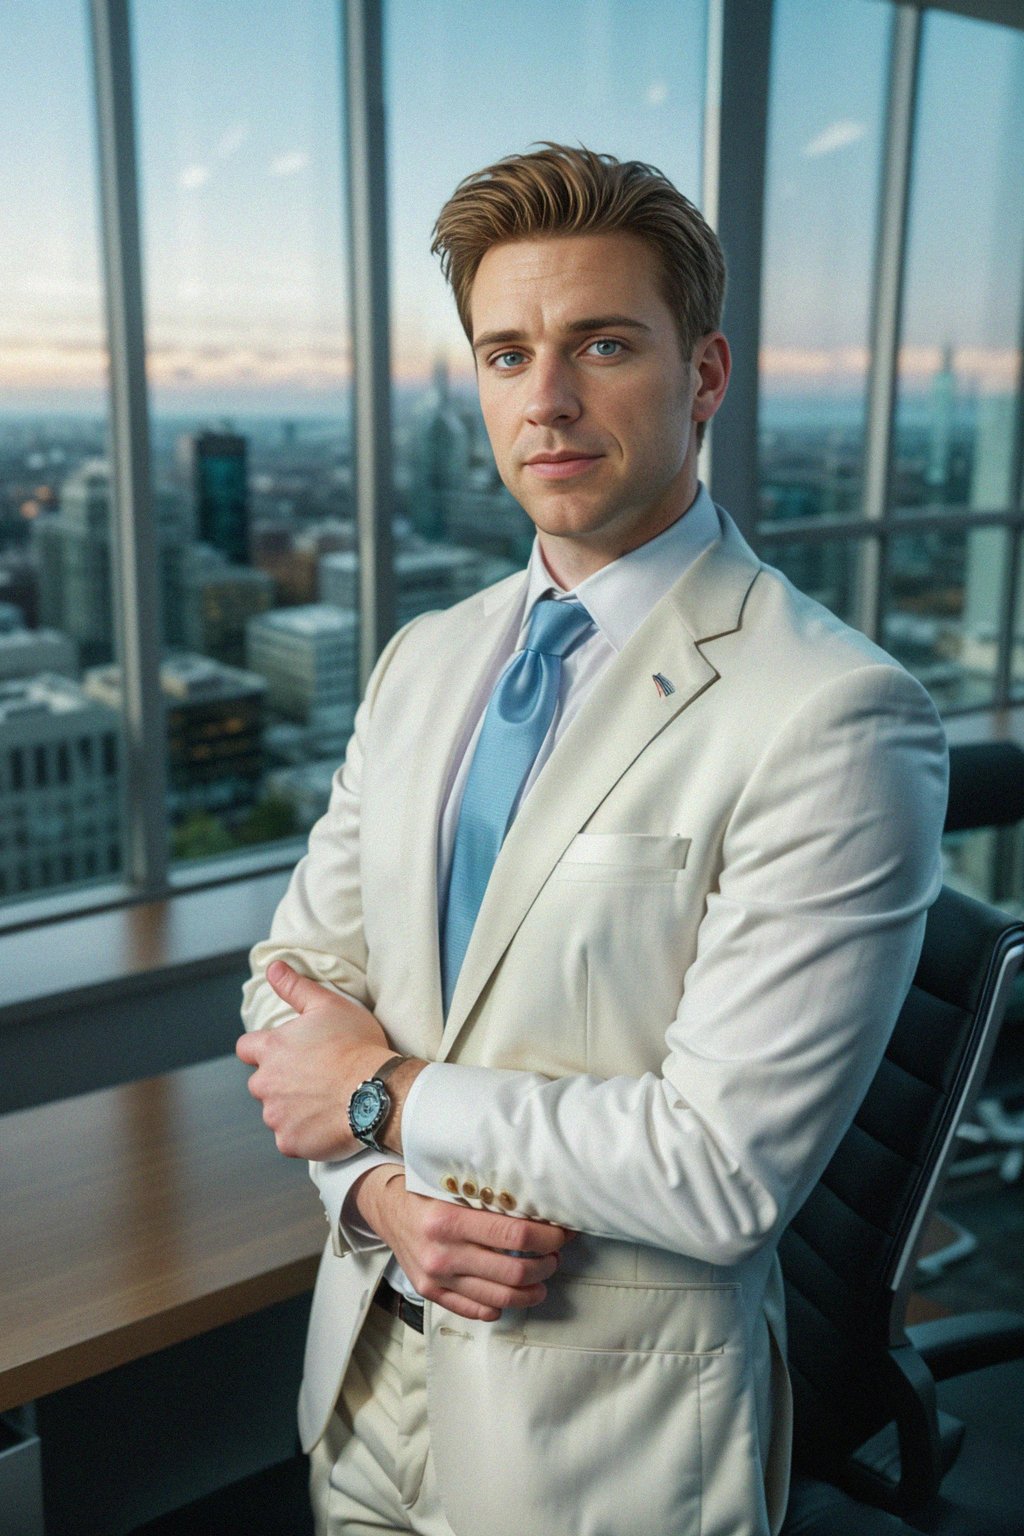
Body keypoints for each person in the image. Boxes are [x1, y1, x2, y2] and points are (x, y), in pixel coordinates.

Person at [237, 144, 948, 1536]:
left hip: (599, 1451)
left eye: (602, 344)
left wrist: (381, 1097)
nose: (546, 401)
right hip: (368, 1389)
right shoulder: (424, 660)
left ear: (706, 373)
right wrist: (377, 1192)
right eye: (506, 355)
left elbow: (718, 1168)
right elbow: (289, 988)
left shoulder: (837, 715)